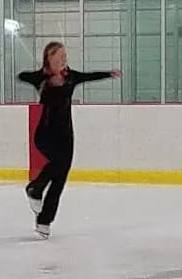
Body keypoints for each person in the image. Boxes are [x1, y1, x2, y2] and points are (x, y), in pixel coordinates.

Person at [18, 41, 122, 239]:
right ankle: (35, 189)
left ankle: (44, 219)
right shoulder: (41, 78)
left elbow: (89, 76)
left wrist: (109, 74)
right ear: (50, 58)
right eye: (60, 57)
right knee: (58, 165)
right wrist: (44, 77)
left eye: (65, 56)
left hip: (66, 136)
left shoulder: (71, 76)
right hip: (45, 135)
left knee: (60, 178)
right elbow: (22, 76)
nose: (64, 59)